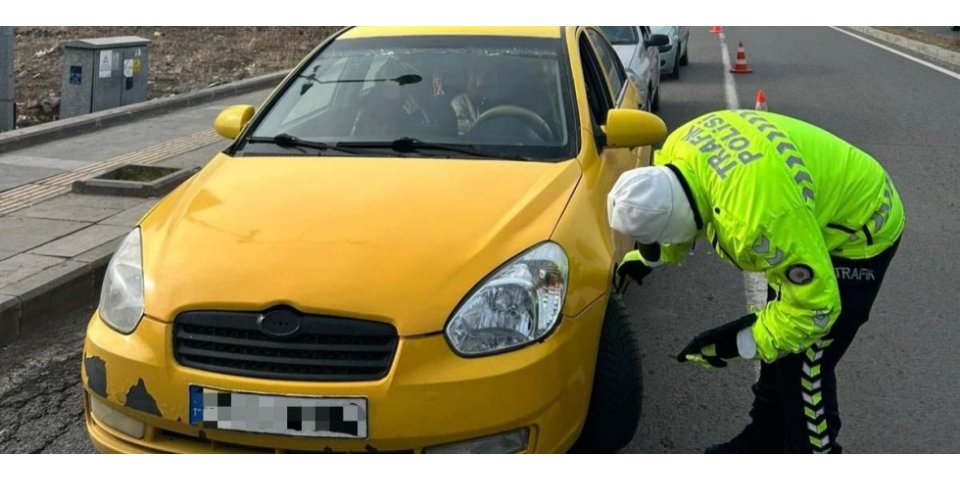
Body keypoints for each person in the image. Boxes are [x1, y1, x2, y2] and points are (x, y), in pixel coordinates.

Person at [606, 109, 905, 453]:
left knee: (805, 359)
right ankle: (765, 436)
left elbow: (816, 309)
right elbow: (687, 199)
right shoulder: (678, 146)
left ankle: (816, 453)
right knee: (779, 341)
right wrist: (650, 257)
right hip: (807, 213)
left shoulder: (758, 222)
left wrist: (739, 342)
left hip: (860, 226)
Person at [450, 65, 500, 134]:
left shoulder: (496, 103)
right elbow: (462, 129)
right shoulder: (458, 102)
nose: (478, 85)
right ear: (467, 83)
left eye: (486, 81)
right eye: (473, 83)